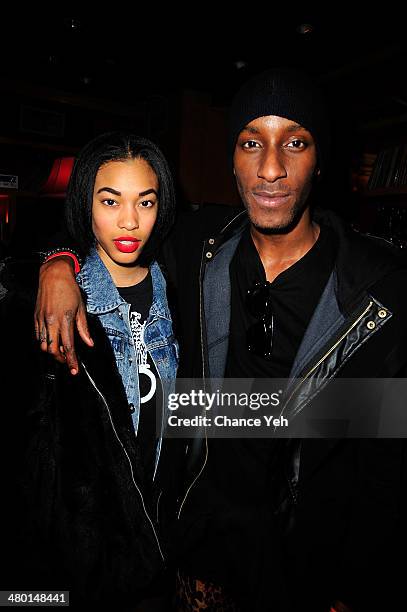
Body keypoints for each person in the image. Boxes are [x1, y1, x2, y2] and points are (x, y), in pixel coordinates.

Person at [32, 69, 407, 611]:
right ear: (231, 159)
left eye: (295, 142)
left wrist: (355, 587)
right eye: (251, 143)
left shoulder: (379, 289)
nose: (271, 168)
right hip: (194, 561)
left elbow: (383, 470)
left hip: (303, 576)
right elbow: (109, 234)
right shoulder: (199, 245)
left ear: (321, 159)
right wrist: (57, 265)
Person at [0, 131, 178, 610]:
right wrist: (55, 263)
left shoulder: (182, 288)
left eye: (145, 201)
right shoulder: (48, 303)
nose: (129, 221)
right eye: (110, 200)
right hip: (78, 565)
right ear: (87, 203)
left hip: (164, 550)